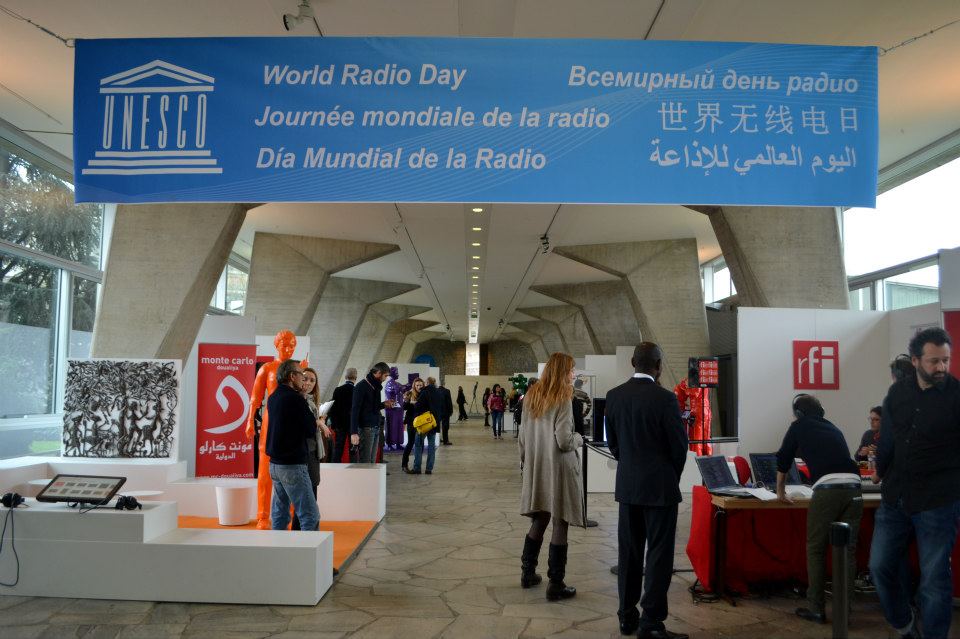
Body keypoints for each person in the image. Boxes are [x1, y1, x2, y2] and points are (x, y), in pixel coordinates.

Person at [870, 327, 960, 639]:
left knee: (934, 581)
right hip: (896, 497)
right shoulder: (898, 394)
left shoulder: (956, 397)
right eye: (934, 361)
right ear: (916, 360)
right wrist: (879, 471)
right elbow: (888, 441)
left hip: (938, 501)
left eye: (946, 360)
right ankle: (904, 624)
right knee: (879, 567)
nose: (941, 367)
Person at [605, 342, 688, 639]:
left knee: (629, 553)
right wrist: (670, 476)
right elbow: (679, 447)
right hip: (661, 489)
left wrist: (630, 466)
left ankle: (626, 617)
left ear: (632, 362)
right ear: (659, 366)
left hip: (628, 487)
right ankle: (651, 622)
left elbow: (614, 444)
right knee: (658, 556)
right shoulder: (666, 399)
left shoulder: (614, 396)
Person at [776, 393, 862, 624]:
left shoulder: (798, 426)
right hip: (854, 488)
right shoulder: (834, 428)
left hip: (827, 490)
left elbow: (783, 458)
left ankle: (816, 608)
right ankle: (845, 612)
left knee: (816, 549)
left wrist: (780, 491)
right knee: (848, 550)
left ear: (798, 413)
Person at [518, 353, 582, 601]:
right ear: (562, 371)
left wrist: (526, 461)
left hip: (537, 465)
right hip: (558, 467)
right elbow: (564, 440)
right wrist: (579, 439)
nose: (573, 374)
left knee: (541, 517)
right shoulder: (563, 396)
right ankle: (556, 583)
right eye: (571, 370)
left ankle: (527, 573)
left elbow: (523, 436)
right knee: (560, 521)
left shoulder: (531, 395)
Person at [265, 359, 321, 532]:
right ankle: (308, 550)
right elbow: (310, 429)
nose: (304, 380)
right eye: (301, 375)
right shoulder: (295, 399)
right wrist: (303, 399)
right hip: (292, 465)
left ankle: (279, 546)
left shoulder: (273, 396)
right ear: (291, 377)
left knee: (280, 513)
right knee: (310, 515)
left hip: (275, 465)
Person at [292, 367, 332, 530]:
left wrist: (320, 420)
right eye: (305, 378)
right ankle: (304, 533)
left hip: (313, 451)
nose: (308, 383)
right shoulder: (296, 399)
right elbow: (302, 425)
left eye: (312, 380)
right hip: (303, 452)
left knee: (311, 492)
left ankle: (304, 532)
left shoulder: (311, 402)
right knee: (306, 497)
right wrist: (319, 423)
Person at [350, 362, 396, 463]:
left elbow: (373, 407)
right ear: (378, 373)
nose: (386, 379)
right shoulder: (361, 386)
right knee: (366, 462)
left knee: (372, 462)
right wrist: (353, 432)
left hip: (376, 427)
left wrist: (384, 404)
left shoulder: (375, 386)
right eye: (385, 375)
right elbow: (355, 410)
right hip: (366, 428)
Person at [412, 376, 444, 475]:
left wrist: (414, 403)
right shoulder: (439, 393)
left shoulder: (425, 392)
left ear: (426, 383)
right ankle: (429, 469)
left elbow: (418, 406)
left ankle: (417, 468)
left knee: (418, 445)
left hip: (424, 423)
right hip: (434, 423)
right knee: (431, 446)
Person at [329, 369, 356, 463]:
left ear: (345, 377)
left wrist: (334, 424)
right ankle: (353, 468)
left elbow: (333, 408)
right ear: (355, 378)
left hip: (340, 425)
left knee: (338, 449)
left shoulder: (338, 390)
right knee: (353, 449)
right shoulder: (356, 390)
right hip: (353, 425)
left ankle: (335, 467)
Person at [401, 378, 425, 473]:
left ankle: (417, 466)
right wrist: (407, 401)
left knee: (420, 444)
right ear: (414, 386)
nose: (419, 387)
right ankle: (404, 465)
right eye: (417, 385)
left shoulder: (424, 394)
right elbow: (404, 407)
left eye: (420, 385)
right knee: (410, 443)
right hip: (411, 422)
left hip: (421, 422)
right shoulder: (409, 394)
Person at [439, 381, 454, 445]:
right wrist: (451, 411)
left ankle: (438, 439)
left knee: (437, 426)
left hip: (438, 412)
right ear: (444, 384)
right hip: (445, 412)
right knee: (445, 427)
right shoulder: (447, 391)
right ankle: (445, 440)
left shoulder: (436, 391)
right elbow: (449, 402)